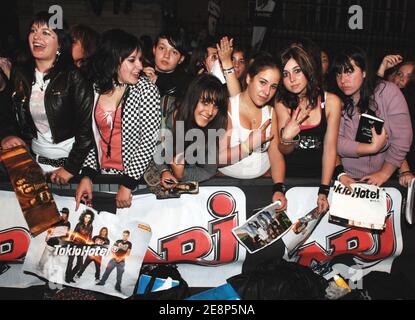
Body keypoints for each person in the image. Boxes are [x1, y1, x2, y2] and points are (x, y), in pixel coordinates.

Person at [0, 11, 94, 185]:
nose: (37, 36)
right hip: (29, 162)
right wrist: (7, 135)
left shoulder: (74, 78)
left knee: (68, 213)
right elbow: (6, 115)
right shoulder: (20, 75)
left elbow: (86, 131)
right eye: (33, 30)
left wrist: (70, 168)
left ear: (59, 43)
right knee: (37, 213)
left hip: (70, 168)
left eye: (46, 32)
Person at [75, 29, 161, 210]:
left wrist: (127, 184)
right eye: (131, 60)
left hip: (135, 181)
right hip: (100, 178)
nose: (139, 65)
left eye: (139, 59)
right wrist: (87, 175)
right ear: (113, 61)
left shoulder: (147, 90)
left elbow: (147, 142)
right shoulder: (94, 89)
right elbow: (90, 137)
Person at [332, 46, 412, 189]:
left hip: (384, 181)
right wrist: (371, 148)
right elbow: (335, 142)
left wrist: (384, 173)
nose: (343, 79)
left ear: (363, 72)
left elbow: (402, 139)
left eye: (349, 72)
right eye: (339, 73)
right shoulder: (336, 100)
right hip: (345, 179)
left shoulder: (387, 92)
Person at [275, 44, 341, 213]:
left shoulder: (331, 101)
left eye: (297, 71)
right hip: (290, 182)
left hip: (320, 178)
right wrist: (287, 137)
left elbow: (330, 149)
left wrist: (323, 190)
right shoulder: (282, 103)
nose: (292, 79)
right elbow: (283, 150)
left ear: (308, 69)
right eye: (286, 74)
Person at [218, 53, 287, 209]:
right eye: (262, 82)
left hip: (261, 186)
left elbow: (275, 155)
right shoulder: (228, 107)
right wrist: (248, 145)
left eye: (273, 86)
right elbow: (218, 158)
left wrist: (278, 188)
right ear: (249, 79)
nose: (267, 91)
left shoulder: (270, 112)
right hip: (227, 189)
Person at [154, 73, 228, 190]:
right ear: (193, 99)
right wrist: (164, 170)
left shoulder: (213, 127)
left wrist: (181, 174)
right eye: (205, 103)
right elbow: (150, 146)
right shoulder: (165, 111)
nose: (210, 112)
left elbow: (209, 170)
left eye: (216, 106)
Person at [143, 29, 190, 99]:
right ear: (154, 49)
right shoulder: (140, 74)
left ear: (181, 59)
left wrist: (158, 83)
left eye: (174, 52)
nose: (166, 55)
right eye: (162, 48)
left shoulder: (186, 85)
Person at [38, 207, 71, 273]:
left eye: (65, 213)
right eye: (62, 213)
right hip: (51, 240)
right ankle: (40, 267)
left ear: (67, 214)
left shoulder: (68, 224)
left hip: (59, 243)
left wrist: (63, 240)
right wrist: (47, 236)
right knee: (45, 256)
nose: (63, 215)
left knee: (54, 258)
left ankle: (50, 271)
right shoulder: (57, 220)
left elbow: (67, 234)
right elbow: (50, 229)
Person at [65, 209, 94, 283]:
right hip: (74, 244)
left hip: (82, 246)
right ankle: (67, 277)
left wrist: (89, 245)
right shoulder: (79, 224)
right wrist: (70, 242)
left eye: (89, 217)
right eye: (86, 217)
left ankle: (71, 276)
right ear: (83, 217)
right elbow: (73, 233)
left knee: (80, 264)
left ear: (90, 219)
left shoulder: (91, 226)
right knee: (70, 261)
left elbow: (90, 237)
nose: (87, 219)